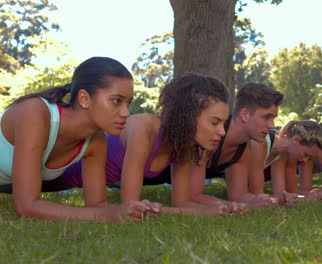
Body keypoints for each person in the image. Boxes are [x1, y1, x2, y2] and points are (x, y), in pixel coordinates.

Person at [0, 57, 159, 222]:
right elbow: (26, 207)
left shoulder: (96, 141)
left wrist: (133, 209)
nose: (126, 113)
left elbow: (97, 205)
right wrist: (110, 216)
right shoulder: (34, 114)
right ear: (84, 98)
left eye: (128, 103)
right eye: (117, 101)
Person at [60, 74, 231, 216]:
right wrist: (199, 212)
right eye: (215, 122)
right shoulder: (143, 128)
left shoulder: (183, 144)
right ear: (188, 116)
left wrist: (219, 208)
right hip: (58, 173)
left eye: (223, 123)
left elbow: (182, 202)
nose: (222, 132)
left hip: (81, 183)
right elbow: (130, 205)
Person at [189, 83, 284, 209]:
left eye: (273, 118)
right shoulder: (211, 135)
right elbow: (193, 196)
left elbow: (238, 195)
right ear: (244, 114)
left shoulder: (243, 147)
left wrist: (265, 199)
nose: (272, 125)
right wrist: (234, 206)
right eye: (267, 117)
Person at [248, 120, 322, 205]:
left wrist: (305, 197)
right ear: (296, 140)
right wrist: (305, 199)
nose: (305, 160)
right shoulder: (262, 143)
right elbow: (258, 197)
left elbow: (280, 196)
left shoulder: (281, 153)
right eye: (305, 154)